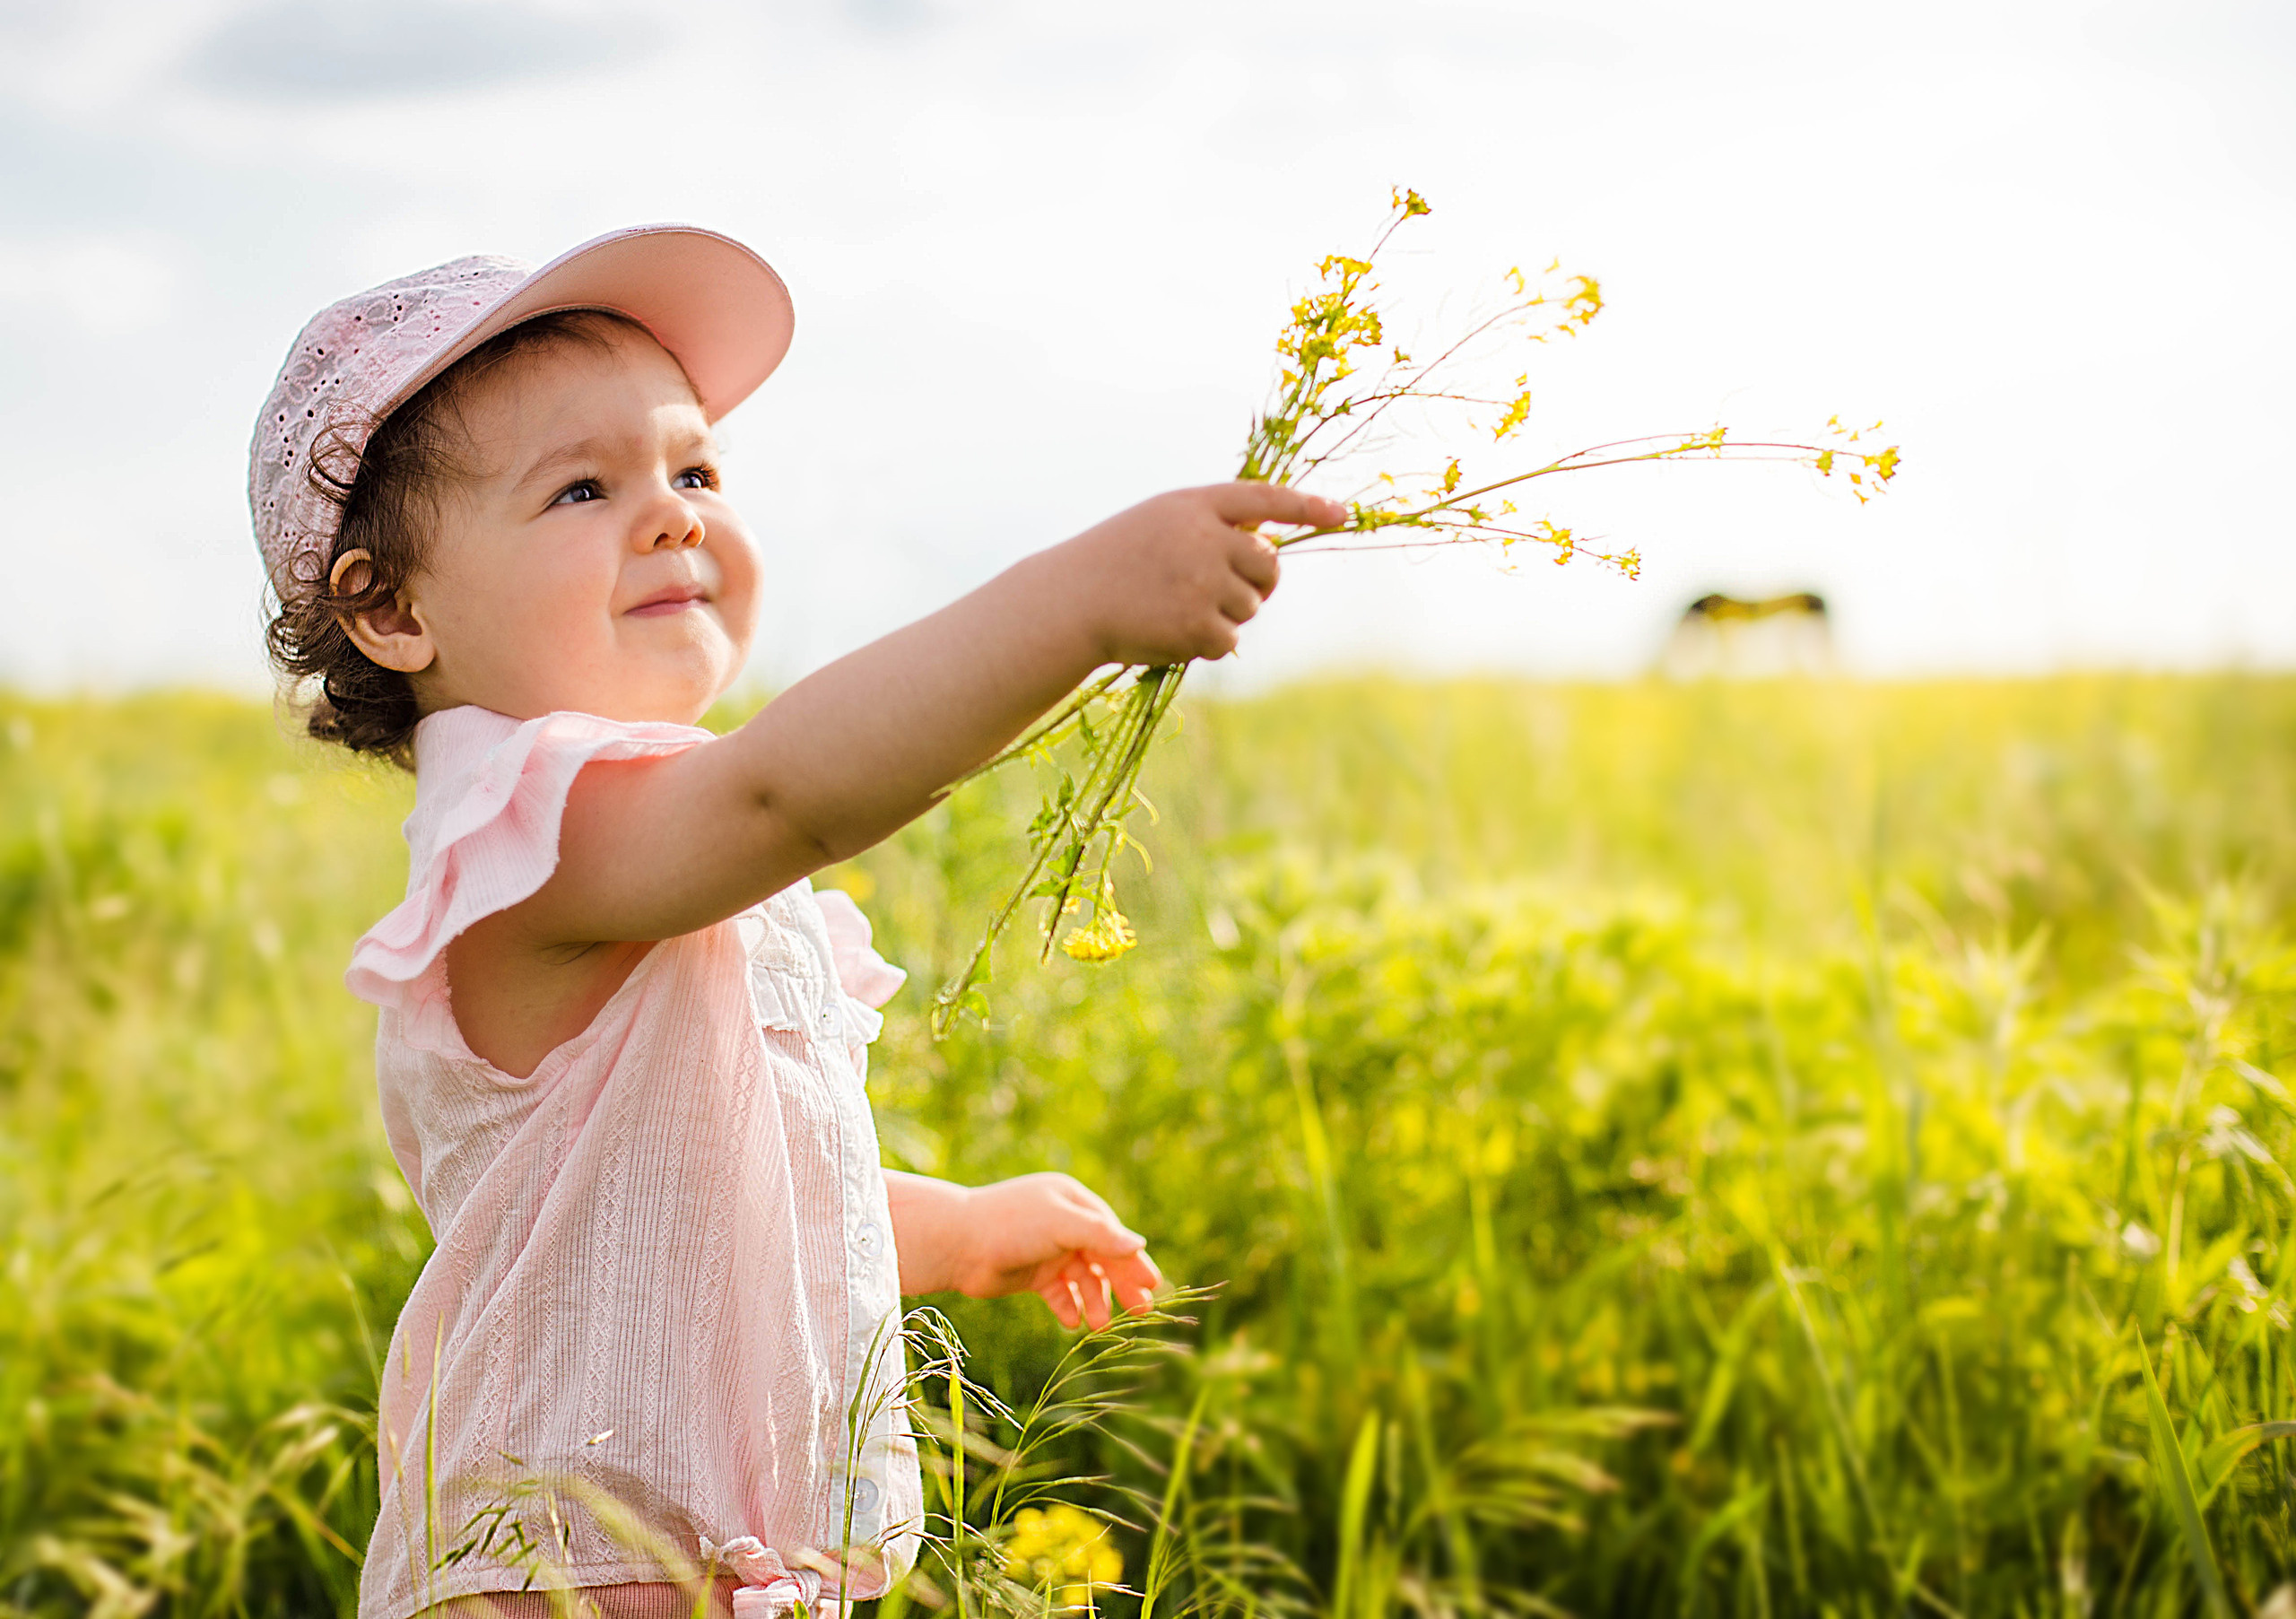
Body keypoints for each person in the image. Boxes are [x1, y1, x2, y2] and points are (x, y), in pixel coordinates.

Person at [249, 224, 1336, 1619]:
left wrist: (948, 1229)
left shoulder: (654, 860)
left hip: (700, 1565)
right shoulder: (534, 836)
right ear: (391, 607)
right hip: (562, 1571)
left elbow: (701, 1198)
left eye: (694, 468)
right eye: (583, 487)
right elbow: (781, 794)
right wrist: (1083, 605)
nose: (675, 513)